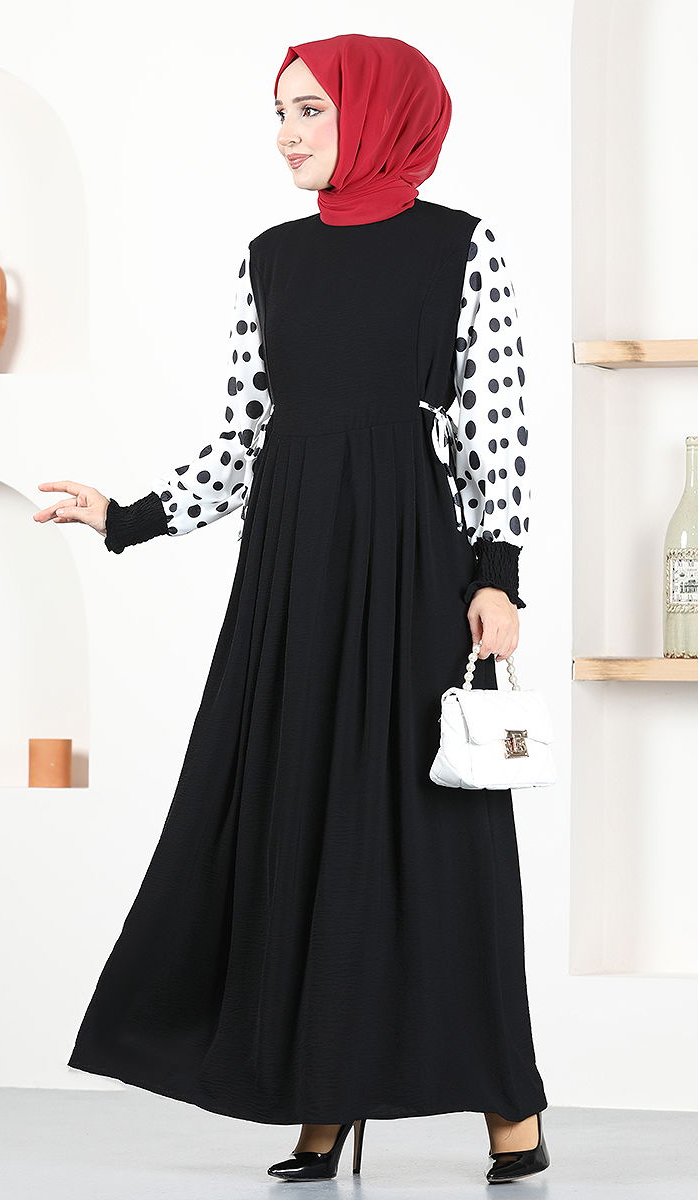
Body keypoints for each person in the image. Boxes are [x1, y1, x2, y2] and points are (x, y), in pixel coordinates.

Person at [35, 32, 550, 1185]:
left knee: (437, 834)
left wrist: (495, 575)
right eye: (279, 111)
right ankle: (323, 1093)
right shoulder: (271, 260)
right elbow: (243, 437)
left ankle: (507, 1104)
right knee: (294, 819)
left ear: (376, 114)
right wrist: (126, 516)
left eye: (310, 110)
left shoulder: (459, 248)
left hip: (410, 562)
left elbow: (495, 424)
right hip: (291, 566)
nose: (286, 133)